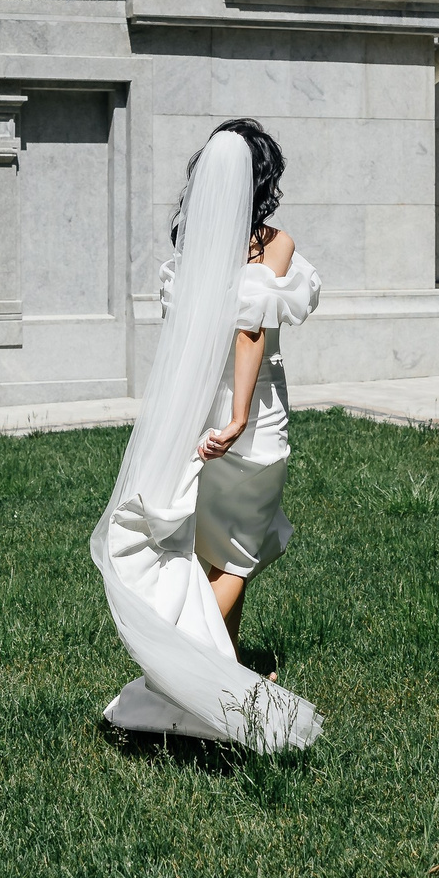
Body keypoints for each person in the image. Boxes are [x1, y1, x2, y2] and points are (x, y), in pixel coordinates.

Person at [92, 120, 324, 749]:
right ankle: (176, 686)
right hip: (247, 420)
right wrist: (241, 415)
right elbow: (249, 330)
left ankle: (228, 666)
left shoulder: (192, 249)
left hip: (197, 414)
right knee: (243, 557)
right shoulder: (271, 243)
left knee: (212, 552)